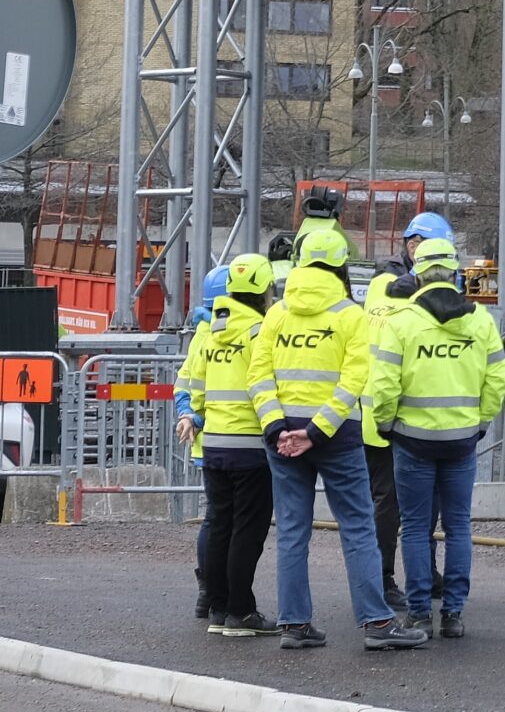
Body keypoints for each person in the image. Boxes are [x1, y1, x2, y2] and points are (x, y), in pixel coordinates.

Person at [250, 229, 427, 651]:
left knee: (292, 530)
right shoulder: (351, 315)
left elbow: (257, 376)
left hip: (282, 437)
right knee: (358, 527)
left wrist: (278, 429)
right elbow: (353, 381)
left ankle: (294, 625)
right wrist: (315, 432)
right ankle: (378, 625)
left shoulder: (276, 314)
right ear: (340, 265)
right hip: (335, 436)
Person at [374, 236, 505, 639]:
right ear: (454, 272)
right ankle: (453, 614)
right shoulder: (480, 320)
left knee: (415, 528)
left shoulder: (402, 322)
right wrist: (479, 422)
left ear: (417, 274)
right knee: (459, 526)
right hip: (462, 440)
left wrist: (385, 424)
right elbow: (499, 379)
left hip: (411, 440)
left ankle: (418, 613)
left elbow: (382, 386)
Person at [176, 254, 282, 636]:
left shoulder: (212, 333)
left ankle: (219, 609)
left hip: (215, 445)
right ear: (263, 291)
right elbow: (268, 385)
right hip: (251, 445)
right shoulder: (259, 332)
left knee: (220, 525)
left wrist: (193, 417)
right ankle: (241, 612)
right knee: (247, 532)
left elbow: (196, 389)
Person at [360, 269, 414, 611]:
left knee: (370, 504)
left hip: (359, 422)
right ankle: (382, 578)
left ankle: (369, 576)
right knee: (388, 505)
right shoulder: (404, 317)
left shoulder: (367, 310)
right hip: (390, 423)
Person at [176, 264, 225, 621]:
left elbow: (185, 387)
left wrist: (190, 417)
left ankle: (207, 592)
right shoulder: (225, 335)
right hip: (230, 437)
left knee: (214, 518)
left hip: (205, 442)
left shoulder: (200, 336)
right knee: (230, 521)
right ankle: (222, 594)